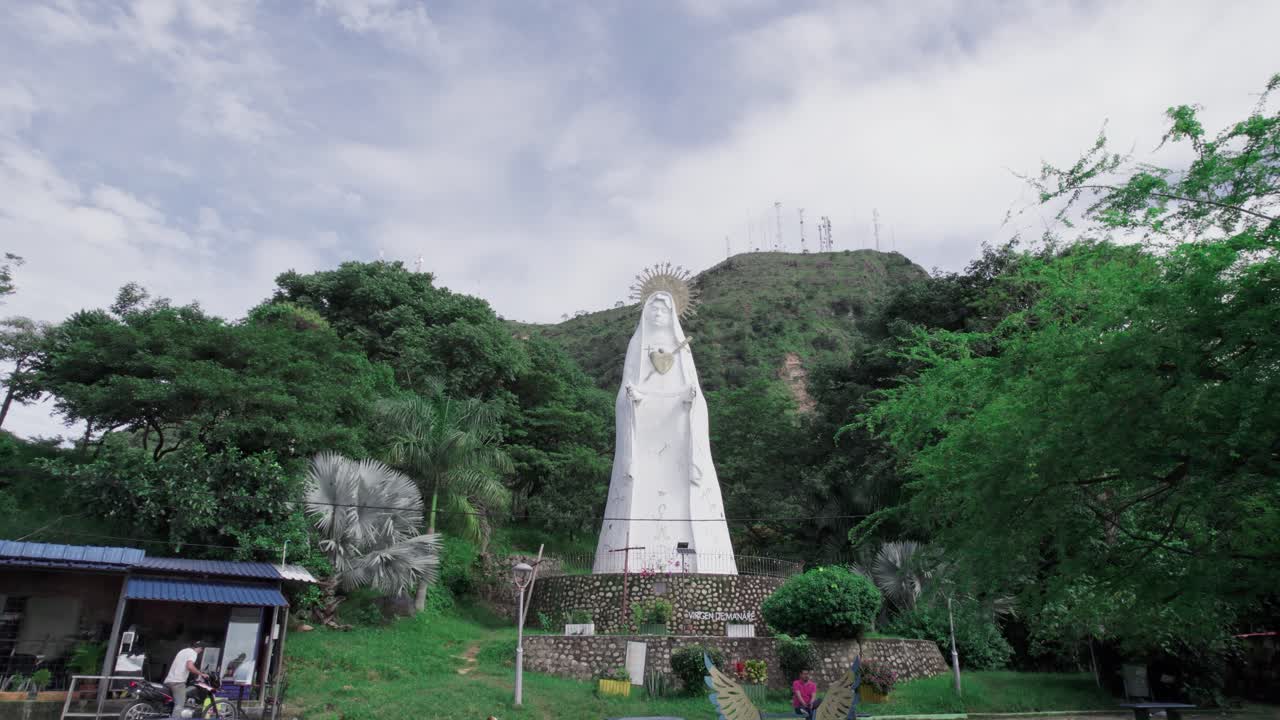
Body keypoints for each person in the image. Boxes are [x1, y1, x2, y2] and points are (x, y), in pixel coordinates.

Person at [164, 641, 208, 719]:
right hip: (178, 682)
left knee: (173, 702)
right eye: (202, 650)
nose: (201, 652)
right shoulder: (193, 653)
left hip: (169, 680)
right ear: (200, 648)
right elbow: (190, 666)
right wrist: (201, 674)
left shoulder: (183, 651)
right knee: (179, 704)